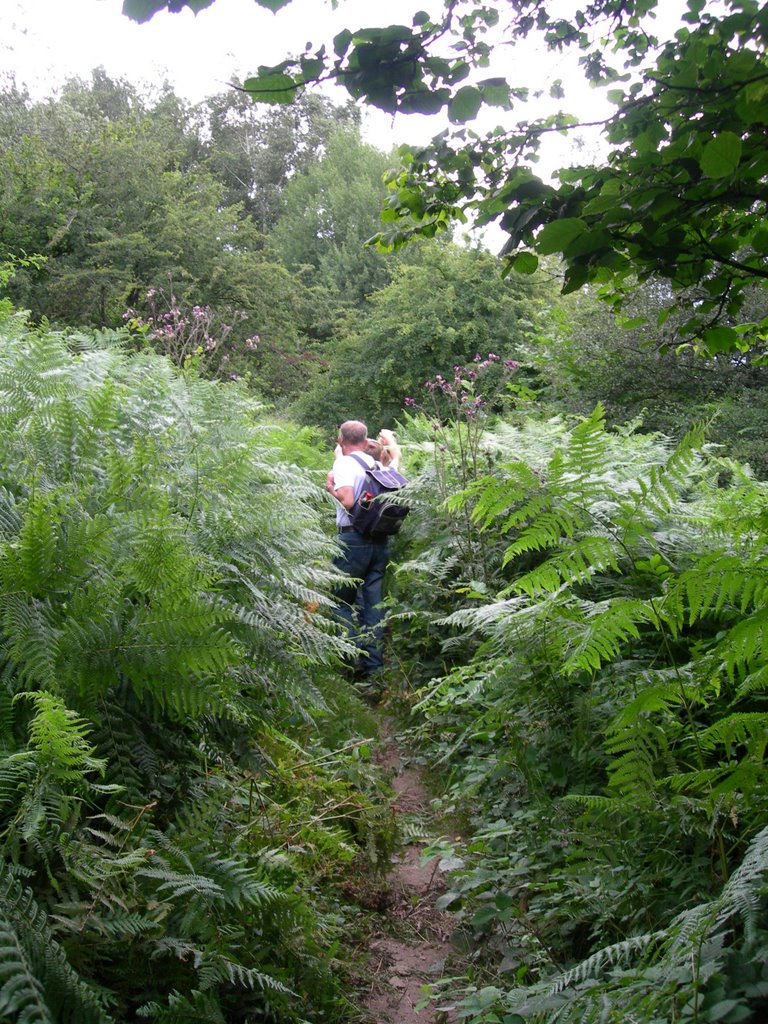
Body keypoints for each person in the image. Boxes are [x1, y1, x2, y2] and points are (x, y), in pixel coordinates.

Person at [326, 420, 390, 681]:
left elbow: (348, 500)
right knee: (373, 604)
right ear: (365, 442)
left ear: (341, 440)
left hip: (353, 540)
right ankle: (373, 668)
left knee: (340, 600)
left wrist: (330, 488)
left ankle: (347, 660)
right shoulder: (374, 463)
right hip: (379, 540)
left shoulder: (343, 463)